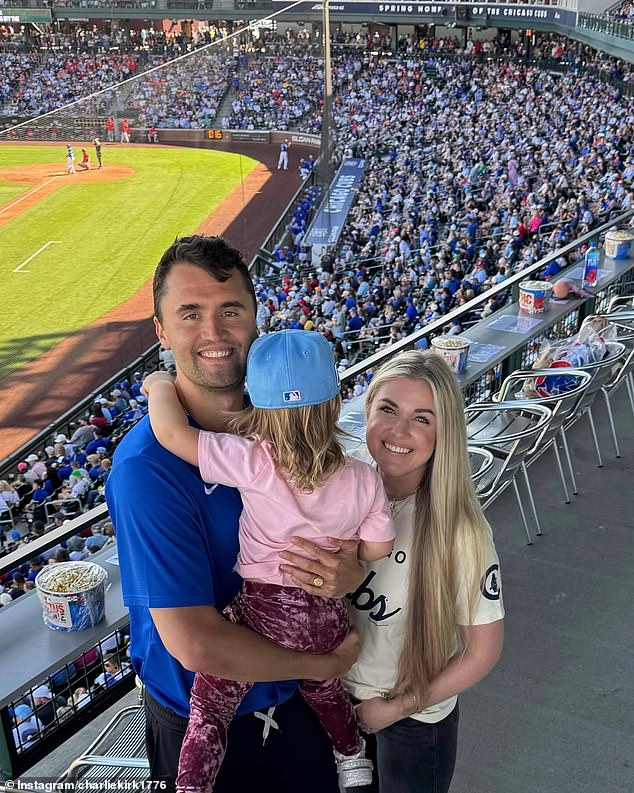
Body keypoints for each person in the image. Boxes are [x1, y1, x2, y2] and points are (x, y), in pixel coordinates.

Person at [105, 235, 365, 793]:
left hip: (297, 704)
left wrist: (352, 573)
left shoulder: (293, 424)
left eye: (229, 311)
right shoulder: (147, 468)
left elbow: (348, 537)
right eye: (190, 314)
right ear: (161, 330)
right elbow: (195, 641)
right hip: (211, 729)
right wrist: (324, 667)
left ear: (255, 318)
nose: (214, 333)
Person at [143, 330, 394, 792]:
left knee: (210, 705)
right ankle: (352, 757)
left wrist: (159, 385)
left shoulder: (253, 459)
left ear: (255, 408)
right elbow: (376, 549)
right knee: (325, 691)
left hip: (265, 611)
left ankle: (192, 785)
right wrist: (347, 553)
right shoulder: (364, 477)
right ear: (336, 405)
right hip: (326, 615)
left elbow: (171, 433)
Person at [342, 350, 505, 793]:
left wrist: (395, 708)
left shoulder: (462, 530)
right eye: (388, 410)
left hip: (411, 722)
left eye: (422, 419)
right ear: (368, 409)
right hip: (334, 705)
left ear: (443, 432)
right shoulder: (342, 488)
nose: (399, 431)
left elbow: (481, 653)